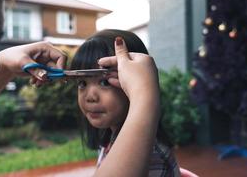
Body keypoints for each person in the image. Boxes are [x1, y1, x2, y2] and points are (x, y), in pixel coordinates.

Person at [0, 0, 161, 176]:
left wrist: (4, 63)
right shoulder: (132, 148)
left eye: (104, 81)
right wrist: (145, 96)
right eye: (81, 83)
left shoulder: (146, 154)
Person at [71, 29, 181, 176]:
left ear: (135, 83)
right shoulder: (110, 138)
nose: (90, 96)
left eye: (104, 82)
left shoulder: (150, 156)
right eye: (82, 83)